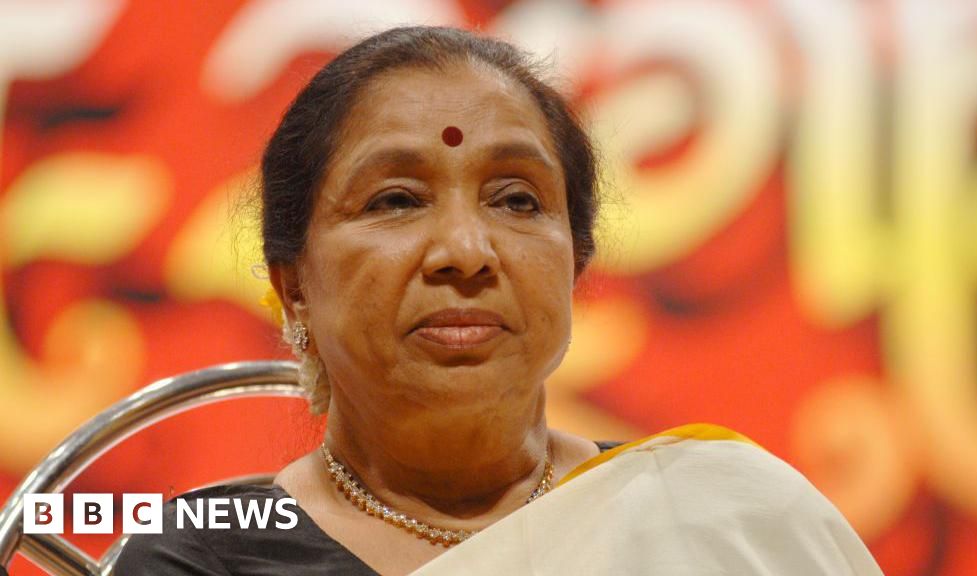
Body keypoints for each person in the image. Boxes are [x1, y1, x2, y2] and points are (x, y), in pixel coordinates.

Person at [115, 26, 883, 576]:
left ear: (575, 266)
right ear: (293, 285)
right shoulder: (206, 553)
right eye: (395, 200)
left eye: (517, 201)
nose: (466, 252)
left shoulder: (724, 519)